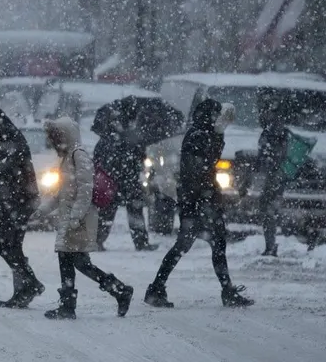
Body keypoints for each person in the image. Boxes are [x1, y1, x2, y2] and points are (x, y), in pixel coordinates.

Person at [144, 99, 254, 308]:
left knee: (211, 244)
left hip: (201, 199)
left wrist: (219, 132)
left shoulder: (205, 133)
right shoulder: (198, 136)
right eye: (215, 115)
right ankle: (157, 287)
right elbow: (198, 170)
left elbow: (207, 165)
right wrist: (207, 195)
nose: (217, 119)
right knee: (189, 245)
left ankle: (224, 289)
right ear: (208, 116)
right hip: (198, 201)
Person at [43, 117, 133, 320]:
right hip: (72, 217)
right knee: (73, 260)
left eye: (57, 137)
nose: (54, 142)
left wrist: (75, 217)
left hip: (80, 219)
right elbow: (62, 193)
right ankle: (115, 291)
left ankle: (115, 292)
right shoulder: (68, 157)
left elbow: (85, 190)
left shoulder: (78, 156)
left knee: (75, 261)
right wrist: (41, 210)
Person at [0, 106, 44, 308]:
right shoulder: (7, 138)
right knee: (10, 246)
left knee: (6, 245)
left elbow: (13, 165)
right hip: (14, 199)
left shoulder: (11, 140)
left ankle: (30, 284)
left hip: (18, 200)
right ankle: (24, 289)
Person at [94, 129, 158, 252]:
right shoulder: (133, 138)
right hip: (129, 181)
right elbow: (140, 158)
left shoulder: (106, 139)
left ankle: (97, 241)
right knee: (134, 211)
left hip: (111, 181)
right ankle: (141, 243)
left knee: (107, 212)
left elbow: (97, 158)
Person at [256, 100, 289, 257]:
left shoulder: (274, 130)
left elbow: (270, 155)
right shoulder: (276, 129)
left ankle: (270, 245)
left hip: (274, 177)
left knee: (268, 209)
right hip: (275, 176)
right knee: (268, 210)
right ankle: (270, 244)